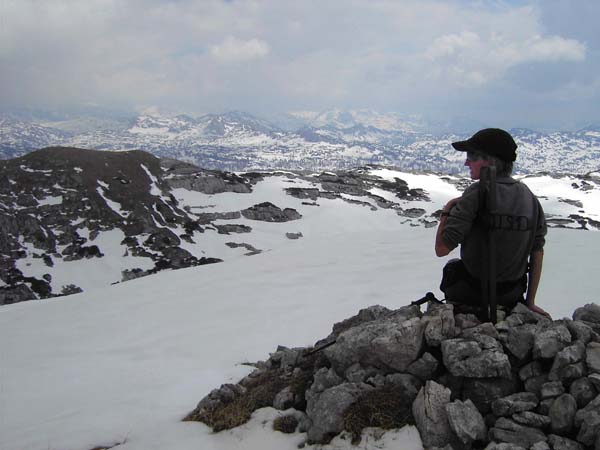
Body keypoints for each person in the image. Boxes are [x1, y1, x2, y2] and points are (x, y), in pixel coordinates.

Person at [434, 128, 550, 318]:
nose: (466, 162)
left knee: (452, 267)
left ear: (490, 161)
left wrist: (447, 210)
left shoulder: (476, 193)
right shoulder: (530, 198)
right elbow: (537, 251)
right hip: (512, 295)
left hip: (471, 293)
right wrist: (530, 302)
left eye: (472, 156)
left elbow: (441, 249)